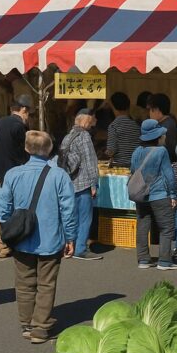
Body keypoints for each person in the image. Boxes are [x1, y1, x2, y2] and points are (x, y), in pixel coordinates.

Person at [0, 130, 76, 343]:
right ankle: (40, 327)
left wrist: (9, 225)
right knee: (46, 283)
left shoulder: (13, 174)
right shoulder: (59, 175)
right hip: (50, 239)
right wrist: (71, 237)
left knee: (24, 283)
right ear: (50, 150)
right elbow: (68, 209)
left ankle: (26, 324)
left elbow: (3, 208)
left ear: (26, 148)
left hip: (21, 238)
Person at [130, 119, 177, 270]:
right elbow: (169, 175)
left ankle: (143, 259)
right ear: (157, 136)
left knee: (143, 226)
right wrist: (173, 194)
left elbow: (133, 171)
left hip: (141, 195)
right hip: (159, 195)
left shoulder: (137, 151)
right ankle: (164, 261)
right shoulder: (161, 151)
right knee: (166, 227)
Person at [0, 94, 32, 258]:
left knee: (2, 209)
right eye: (28, 113)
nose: (28, 117)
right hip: (15, 173)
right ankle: (14, 241)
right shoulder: (18, 126)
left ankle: (2, 244)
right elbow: (24, 152)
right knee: (17, 209)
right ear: (23, 109)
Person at [60, 109, 102, 261]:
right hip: (83, 182)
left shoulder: (68, 136)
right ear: (86, 120)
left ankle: (68, 246)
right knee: (85, 218)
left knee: (70, 216)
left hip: (69, 182)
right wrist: (93, 183)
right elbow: (90, 161)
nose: (93, 123)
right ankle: (81, 249)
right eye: (92, 120)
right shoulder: (84, 136)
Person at [106, 91, 140, 168]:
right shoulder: (136, 125)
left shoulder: (114, 126)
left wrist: (104, 152)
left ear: (113, 106)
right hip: (135, 165)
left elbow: (111, 151)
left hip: (120, 167)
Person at [147, 93, 177, 162]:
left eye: (150, 110)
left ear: (157, 110)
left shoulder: (167, 125)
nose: (149, 113)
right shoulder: (169, 121)